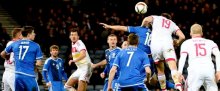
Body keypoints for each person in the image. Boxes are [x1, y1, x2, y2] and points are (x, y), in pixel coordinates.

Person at [99, 22, 175, 90]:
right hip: (151, 59)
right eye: (124, 45)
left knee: (147, 81)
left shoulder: (121, 53)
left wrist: (110, 26)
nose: (125, 46)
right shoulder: (157, 33)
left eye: (126, 44)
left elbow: (122, 28)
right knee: (153, 81)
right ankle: (174, 86)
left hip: (126, 79)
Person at [141, 13, 185, 91]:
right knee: (173, 67)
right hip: (167, 43)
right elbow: (182, 36)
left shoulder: (156, 17)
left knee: (160, 70)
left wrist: (143, 27)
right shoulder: (172, 23)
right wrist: (177, 42)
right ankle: (178, 87)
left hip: (155, 45)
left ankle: (164, 89)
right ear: (169, 18)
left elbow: (146, 19)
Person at [178, 24, 220, 91]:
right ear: (202, 33)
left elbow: (182, 58)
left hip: (195, 70)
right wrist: (218, 71)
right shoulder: (210, 42)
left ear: (190, 33)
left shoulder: (186, 43)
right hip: (209, 70)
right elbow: (218, 54)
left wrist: (179, 72)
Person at [0, 26, 43, 91]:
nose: (35, 34)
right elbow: (39, 64)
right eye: (33, 32)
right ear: (28, 34)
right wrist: (33, 65)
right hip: (29, 75)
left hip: (17, 76)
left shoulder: (14, 44)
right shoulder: (36, 45)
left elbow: (2, 54)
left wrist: (7, 59)